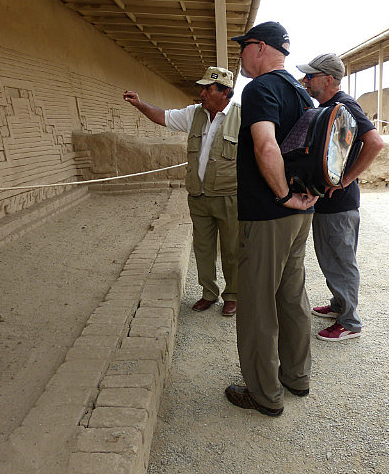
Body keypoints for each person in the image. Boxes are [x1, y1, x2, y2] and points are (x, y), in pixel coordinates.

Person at [225, 22, 318, 417]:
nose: (240, 56)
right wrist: (299, 197)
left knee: (258, 305)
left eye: (243, 47)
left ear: (260, 47)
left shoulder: (260, 89)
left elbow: (266, 146)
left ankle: (264, 394)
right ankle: (296, 376)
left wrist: (281, 196)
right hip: (300, 214)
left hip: (269, 215)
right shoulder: (301, 92)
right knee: (291, 296)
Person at [123, 67, 240, 316]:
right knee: (203, 248)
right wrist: (140, 104)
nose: (202, 93)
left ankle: (233, 295)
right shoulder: (194, 113)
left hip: (229, 197)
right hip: (198, 197)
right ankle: (209, 293)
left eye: (208, 88)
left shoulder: (243, 117)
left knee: (232, 249)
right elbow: (163, 116)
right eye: (202, 88)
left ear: (225, 92)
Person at [297, 53, 384, 341]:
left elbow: (375, 142)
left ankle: (350, 322)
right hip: (327, 201)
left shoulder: (345, 105)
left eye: (311, 76)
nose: (306, 80)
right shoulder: (329, 107)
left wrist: (346, 180)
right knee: (330, 257)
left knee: (341, 260)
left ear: (328, 79)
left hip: (340, 204)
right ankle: (338, 305)